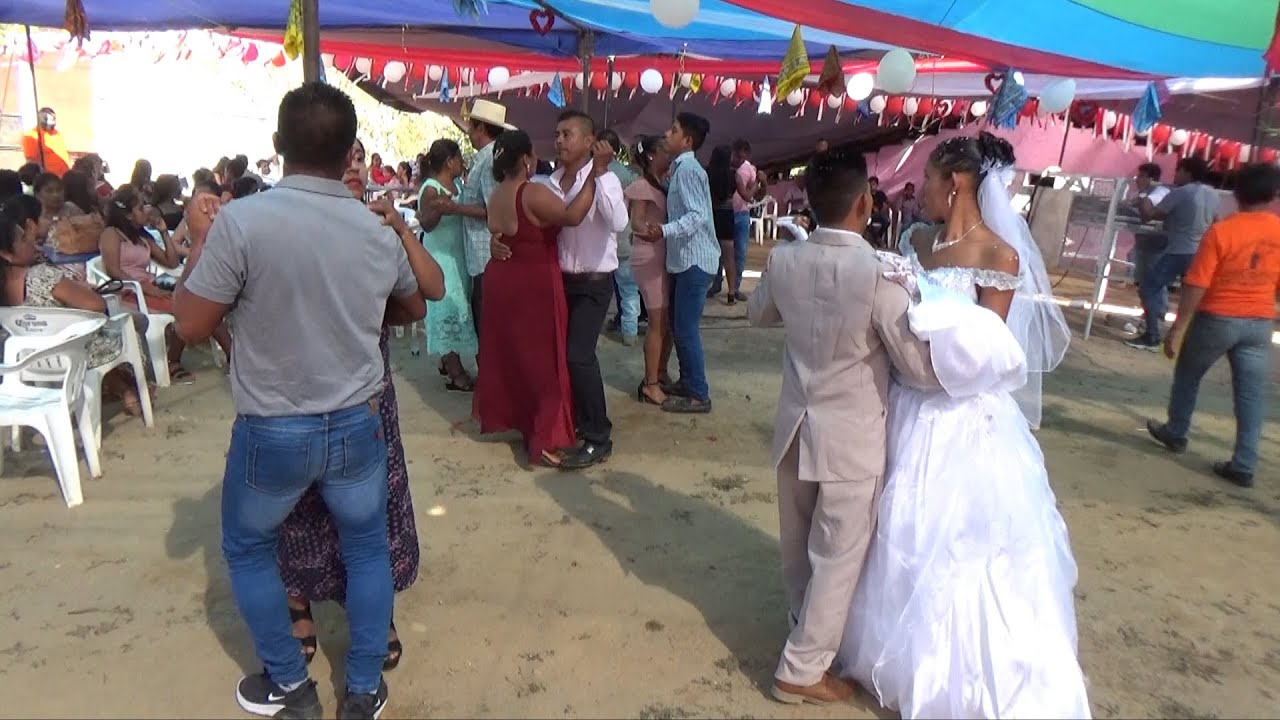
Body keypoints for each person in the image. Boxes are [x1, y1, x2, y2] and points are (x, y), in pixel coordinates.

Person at [172, 82, 440, 720]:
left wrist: (200, 236)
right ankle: (365, 686)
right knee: (367, 547)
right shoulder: (375, 226)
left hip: (274, 428)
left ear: (277, 146)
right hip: (356, 424)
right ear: (350, 150)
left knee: (247, 546)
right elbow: (410, 302)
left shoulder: (242, 222)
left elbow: (188, 324)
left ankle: (292, 687)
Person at [840, 133, 1086, 718]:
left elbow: (989, 352)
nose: (918, 189)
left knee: (956, 543)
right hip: (907, 402)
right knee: (895, 526)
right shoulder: (914, 241)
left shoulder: (999, 257)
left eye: (926, 179)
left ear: (954, 186)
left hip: (961, 415)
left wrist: (931, 331)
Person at [746, 148, 938, 706]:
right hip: (851, 437)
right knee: (837, 556)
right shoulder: (879, 273)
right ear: (866, 203)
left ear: (810, 203)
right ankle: (801, 668)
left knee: (798, 546)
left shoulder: (785, 261)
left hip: (794, 427)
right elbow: (919, 370)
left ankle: (803, 631)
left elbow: (759, 314)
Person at [279, 137, 443, 681]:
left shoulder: (376, 230)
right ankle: (297, 601)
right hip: (295, 393)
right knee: (299, 505)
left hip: (366, 393)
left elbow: (422, 298)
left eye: (358, 159)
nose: (352, 168)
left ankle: (374, 620)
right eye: (343, 159)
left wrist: (396, 231)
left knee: (371, 510)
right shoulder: (281, 224)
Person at [491, 111, 627, 469]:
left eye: (568, 134)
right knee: (559, 359)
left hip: (595, 281)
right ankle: (577, 423)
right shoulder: (548, 181)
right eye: (557, 135)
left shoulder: (606, 178)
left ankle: (599, 435)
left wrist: (598, 176)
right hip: (559, 280)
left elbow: (620, 223)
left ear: (589, 140)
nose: (560, 141)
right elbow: (522, 222)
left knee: (578, 356)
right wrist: (497, 240)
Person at [1146, 163, 1280, 489]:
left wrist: (1178, 328)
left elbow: (1197, 283)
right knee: (1250, 395)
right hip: (1260, 321)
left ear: (1235, 194)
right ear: (1274, 195)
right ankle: (1244, 464)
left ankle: (1176, 432)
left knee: (1189, 375)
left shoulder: (1222, 232)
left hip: (1218, 317)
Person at [634, 112, 720, 414]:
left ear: (687, 141)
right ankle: (687, 381)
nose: (666, 134)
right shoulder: (680, 170)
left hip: (695, 259)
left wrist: (664, 230)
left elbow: (697, 216)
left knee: (685, 329)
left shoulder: (689, 169)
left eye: (673, 131)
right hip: (687, 259)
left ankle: (698, 393)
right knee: (679, 326)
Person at [1128, 157, 1220, 351]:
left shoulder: (1180, 193)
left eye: (1178, 171)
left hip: (1178, 251)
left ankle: (1152, 335)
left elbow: (1148, 216)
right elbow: (1216, 223)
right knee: (1193, 298)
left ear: (1188, 172)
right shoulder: (1213, 195)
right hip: (1200, 253)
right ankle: (1190, 339)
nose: (1175, 175)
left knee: (1148, 288)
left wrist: (1145, 195)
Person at [445, 99, 511, 339]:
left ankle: (490, 375)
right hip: (479, 253)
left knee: (486, 325)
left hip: (486, 253)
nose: (469, 133)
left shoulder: (490, 159)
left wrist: (455, 208)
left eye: (471, 128)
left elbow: (494, 210)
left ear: (481, 129)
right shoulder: (485, 158)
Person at [417, 138, 479, 391]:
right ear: (449, 161)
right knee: (447, 310)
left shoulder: (457, 185)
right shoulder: (431, 188)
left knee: (461, 307)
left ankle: (449, 361)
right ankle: (456, 372)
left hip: (458, 257)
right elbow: (426, 224)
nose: (462, 163)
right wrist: (441, 210)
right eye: (459, 159)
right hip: (440, 257)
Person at [627, 135, 675, 405]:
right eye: (665, 152)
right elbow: (636, 223)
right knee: (657, 324)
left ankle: (659, 373)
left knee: (664, 323)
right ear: (652, 156)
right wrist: (656, 233)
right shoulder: (641, 186)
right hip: (648, 258)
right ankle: (651, 383)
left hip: (660, 255)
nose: (669, 156)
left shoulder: (661, 185)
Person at [599, 128, 642, 346]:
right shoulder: (628, 176)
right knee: (629, 289)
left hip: (599, 241)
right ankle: (630, 332)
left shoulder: (592, 172)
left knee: (598, 290)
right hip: (625, 236)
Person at [706, 145, 740, 305]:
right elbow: (746, 195)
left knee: (709, 255)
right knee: (729, 257)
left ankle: (707, 286)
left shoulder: (707, 174)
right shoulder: (733, 175)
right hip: (727, 216)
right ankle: (731, 292)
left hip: (711, 216)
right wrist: (758, 184)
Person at [1129, 162, 1170, 290]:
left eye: (1142, 176)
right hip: (1143, 243)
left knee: (1154, 282)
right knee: (1141, 282)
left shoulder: (1161, 192)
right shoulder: (1141, 193)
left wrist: (1141, 196)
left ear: (1151, 179)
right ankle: (1149, 309)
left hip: (1157, 244)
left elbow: (1147, 212)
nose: (1138, 179)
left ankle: (1157, 309)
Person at [23, 107, 71, 176]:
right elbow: (31, 162)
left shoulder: (57, 133)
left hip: (64, 176)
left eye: (53, 119)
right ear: (39, 119)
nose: (51, 122)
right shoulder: (32, 135)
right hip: (48, 179)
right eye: (46, 119)